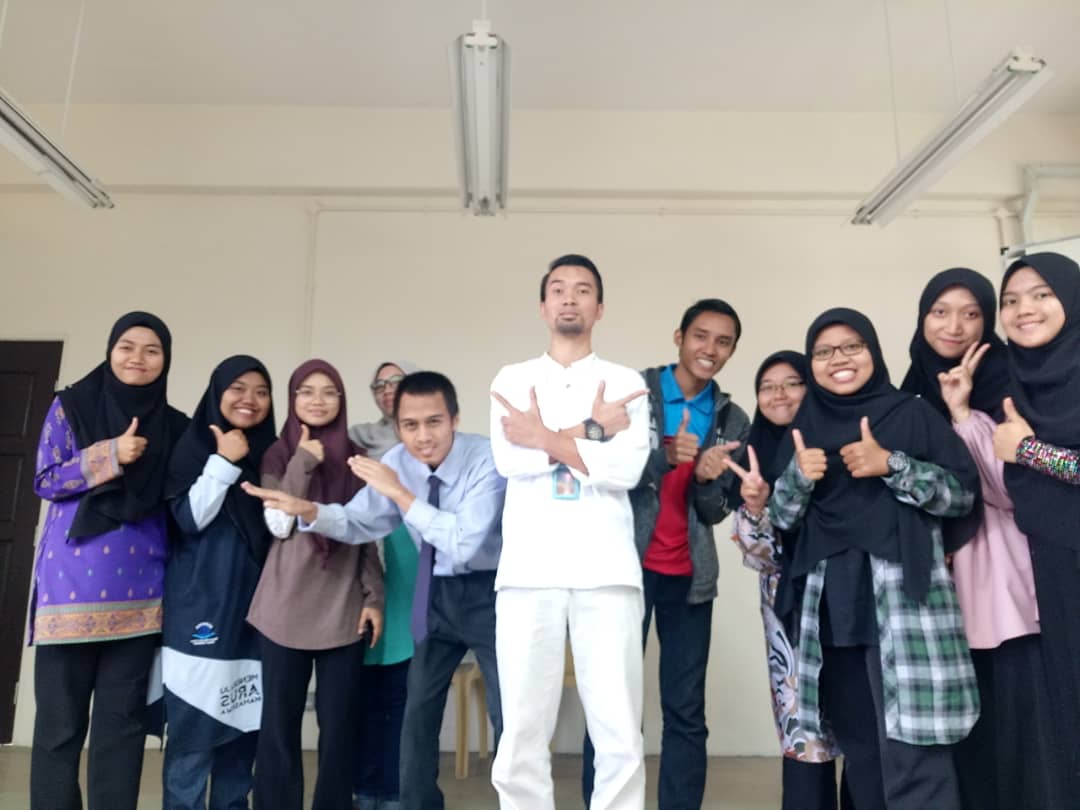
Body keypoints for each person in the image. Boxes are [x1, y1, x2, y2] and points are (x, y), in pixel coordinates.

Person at [245, 370, 504, 810]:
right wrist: (311, 510)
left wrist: (400, 494)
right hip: (433, 591)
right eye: (410, 425)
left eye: (434, 422)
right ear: (397, 426)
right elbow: (359, 521)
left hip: (488, 592)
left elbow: (462, 542)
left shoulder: (486, 459)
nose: (423, 436)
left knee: (507, 715)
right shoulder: (398, 461)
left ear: (455, 420)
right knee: (417, 715)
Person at [767, 308, 979, 810]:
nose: (838, 359)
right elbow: (782, 518)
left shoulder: (912, 415)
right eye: (823, 351)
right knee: (862, 756)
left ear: (873, 352)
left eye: (852, 346)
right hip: (832, 614)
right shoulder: (805, 425)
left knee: (915, 757)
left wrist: (891, 464)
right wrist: (798, 476)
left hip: (905, 609)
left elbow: (961, 495)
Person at [489, 254, 650, 810]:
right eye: (558, 289)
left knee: (619, 728)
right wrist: (593, 432)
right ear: (542, 306)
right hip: (527, 572)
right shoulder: (512, 379)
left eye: (583, 290)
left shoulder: (626, 383)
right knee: (521, 728)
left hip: (606, 571)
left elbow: (625, 470)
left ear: (599, 308)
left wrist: (543, 437)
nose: (569, 298)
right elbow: (510, 461)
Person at [900, 268, 1059, 809]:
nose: (955, 326)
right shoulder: (907, 391)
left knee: (1015, 722)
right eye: (941, 312)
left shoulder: (1011, 380)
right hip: (933, 583)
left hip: (997, 577)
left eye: (971, 314)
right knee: (958, 732)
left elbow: (1014, 490)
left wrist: (964, 414)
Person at [582, 298, 748, 810]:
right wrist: (662, 458)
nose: (710, 349)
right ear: (679, 337)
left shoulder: (732, 418)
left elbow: (716, 511)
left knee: (685, 711)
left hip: (690, 578)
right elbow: (596, 469)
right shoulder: (632, 394)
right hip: (622, 572)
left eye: (723, 342)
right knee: (612, 708)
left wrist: (706, 481)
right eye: (701, 336)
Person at [28, 311, 188, 810]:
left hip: (140, 601)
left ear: (166, 360)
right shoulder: (70, 407)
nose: (138, 358)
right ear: (109, 351)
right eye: (127, 347)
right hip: (67, 597)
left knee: (121, 732)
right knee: (58, 729)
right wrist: (109, 454)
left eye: (152, 350)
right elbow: (46, 479)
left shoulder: (175, 427)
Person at [246, 359, 385, 810]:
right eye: (306, 391)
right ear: (292, 399)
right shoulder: (278, 453)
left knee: (340, 726)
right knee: (278, 727)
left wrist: (374, 597)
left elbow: (366, 533)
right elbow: (279, 525)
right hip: (282, 608)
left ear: (342, 400)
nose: (318, 400)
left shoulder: (356, 458)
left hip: (342, 608)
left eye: (329, 392)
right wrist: (303, 462)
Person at [727, 351, 858, 810]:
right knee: (803, 731)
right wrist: (756, 507)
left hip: (848, 602)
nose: (778, 394)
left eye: (791, 383)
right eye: (767, 386)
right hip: (789, 615)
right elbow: (760, 558)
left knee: (859, 726)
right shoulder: (754, 458)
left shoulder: (844, 441)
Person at [162, 355, 276, 810]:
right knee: (192, 737)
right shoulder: (191, 449)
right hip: (200, 608)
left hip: (257, 615)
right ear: (217, 392)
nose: (250, 399)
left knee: (242, 734)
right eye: (238, 388)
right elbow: (190, 519)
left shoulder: (272, 456)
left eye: (261, 391)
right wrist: (223, 462)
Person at [993, 252, 1080, 803]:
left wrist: (1029, 451)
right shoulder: (1013, 380)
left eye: (1042, 294)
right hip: (1054, 561)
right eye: (1010, 300)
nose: (1024, 308)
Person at [348, 361, 419, 810]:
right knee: (364, 691)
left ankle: (396, 791)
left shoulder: (429, 439)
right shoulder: (355, 441)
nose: (388, 389)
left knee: (404, 693)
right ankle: (364, 788)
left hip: (411, 562)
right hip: (366, 559)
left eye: (398, 381)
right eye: (380, 383)